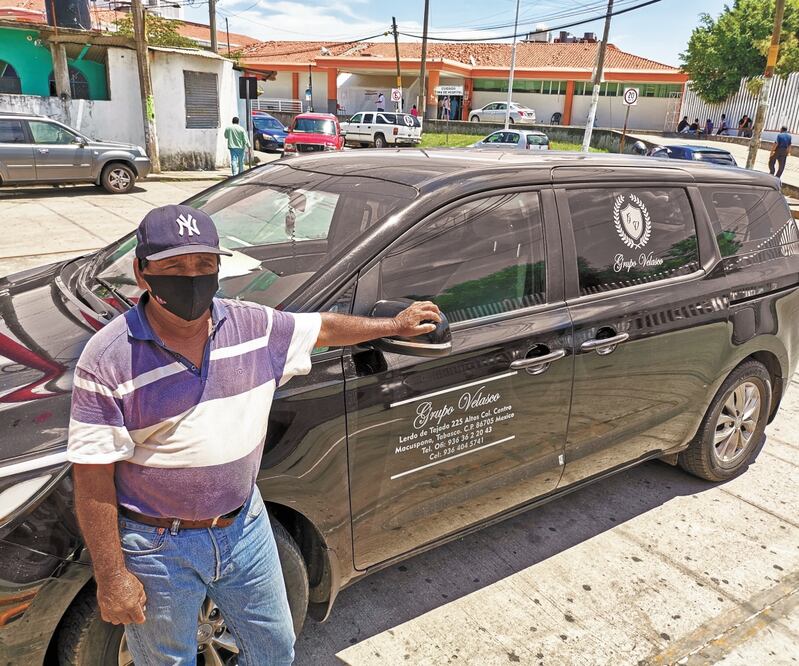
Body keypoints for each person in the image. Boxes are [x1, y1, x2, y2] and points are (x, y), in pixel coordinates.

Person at [67, 204, 441, 665]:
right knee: (168, 661)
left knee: (274, 649)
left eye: (204, 265)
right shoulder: (106, 358)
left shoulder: (253, 325)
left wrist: (392, 326)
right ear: (142, 273)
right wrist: (112, 576)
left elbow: (321, 327)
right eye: (175, 266)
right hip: (159, 546)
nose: (192, 278)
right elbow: (91, 479)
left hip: (245, 526)